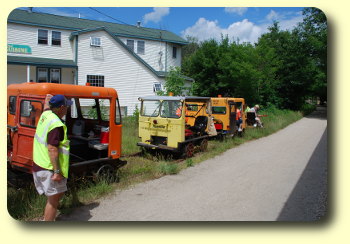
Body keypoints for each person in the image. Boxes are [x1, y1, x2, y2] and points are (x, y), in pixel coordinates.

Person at [32, 94, 73, 221]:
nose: (67, 109)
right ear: (61, 108)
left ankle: (48, 218)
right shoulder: (56, 125)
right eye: (66, 106)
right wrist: (57, 172)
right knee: (53, 201)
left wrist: (47, 100)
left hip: (38, 163)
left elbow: (46, 108)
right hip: (49, 168)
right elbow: (52, 148)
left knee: (57, 194)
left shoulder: (46, 115)